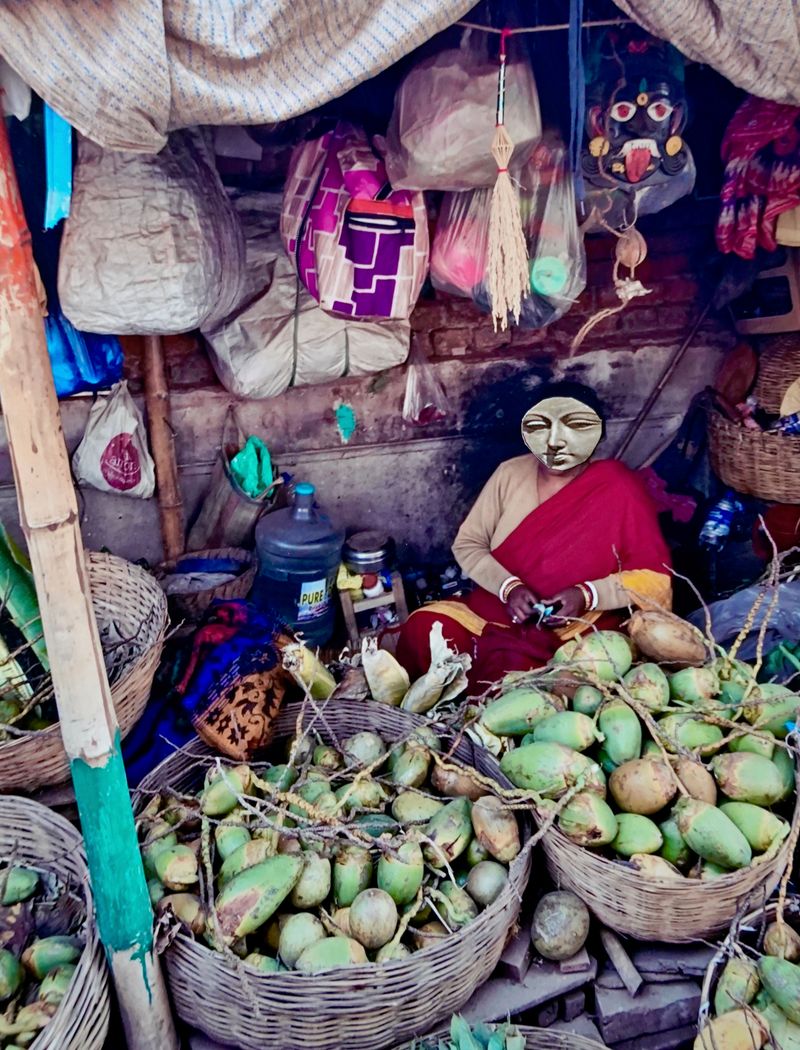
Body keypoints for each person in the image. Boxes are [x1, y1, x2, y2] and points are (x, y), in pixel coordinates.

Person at [396, 380, 672, 689]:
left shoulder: (618, 486)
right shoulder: (509, 473)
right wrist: (509, 588)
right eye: (542, 428)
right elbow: (469, 544)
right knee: (421, 629)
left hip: (578, 627)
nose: (555, 444)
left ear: (596, 437)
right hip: (498, 613)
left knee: (568, 672)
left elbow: (655, 581)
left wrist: (585, 595)